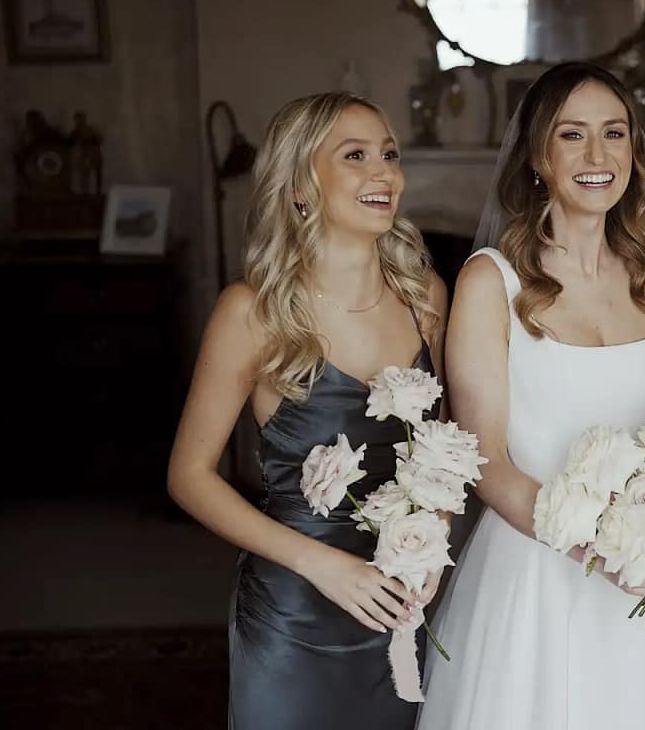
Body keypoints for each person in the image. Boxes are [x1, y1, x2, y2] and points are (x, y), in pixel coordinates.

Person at [418, 63, 645, 729]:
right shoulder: (489, 282)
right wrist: (605, 555)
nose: (597, 156)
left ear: (635, 153)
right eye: (572, 136)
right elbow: (484, 459)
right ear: (537, 157)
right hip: (538, 573)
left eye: (614, 134)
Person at [167, 93, 448, 729]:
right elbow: (188, 476)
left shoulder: (425, 296)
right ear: (300, 185)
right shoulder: (253, 311)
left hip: (403, 598)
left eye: (390, 155)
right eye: (356, 156)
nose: (384, 172)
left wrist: (433, 542)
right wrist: (324, 565)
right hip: (296, 606)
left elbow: (446, 448)